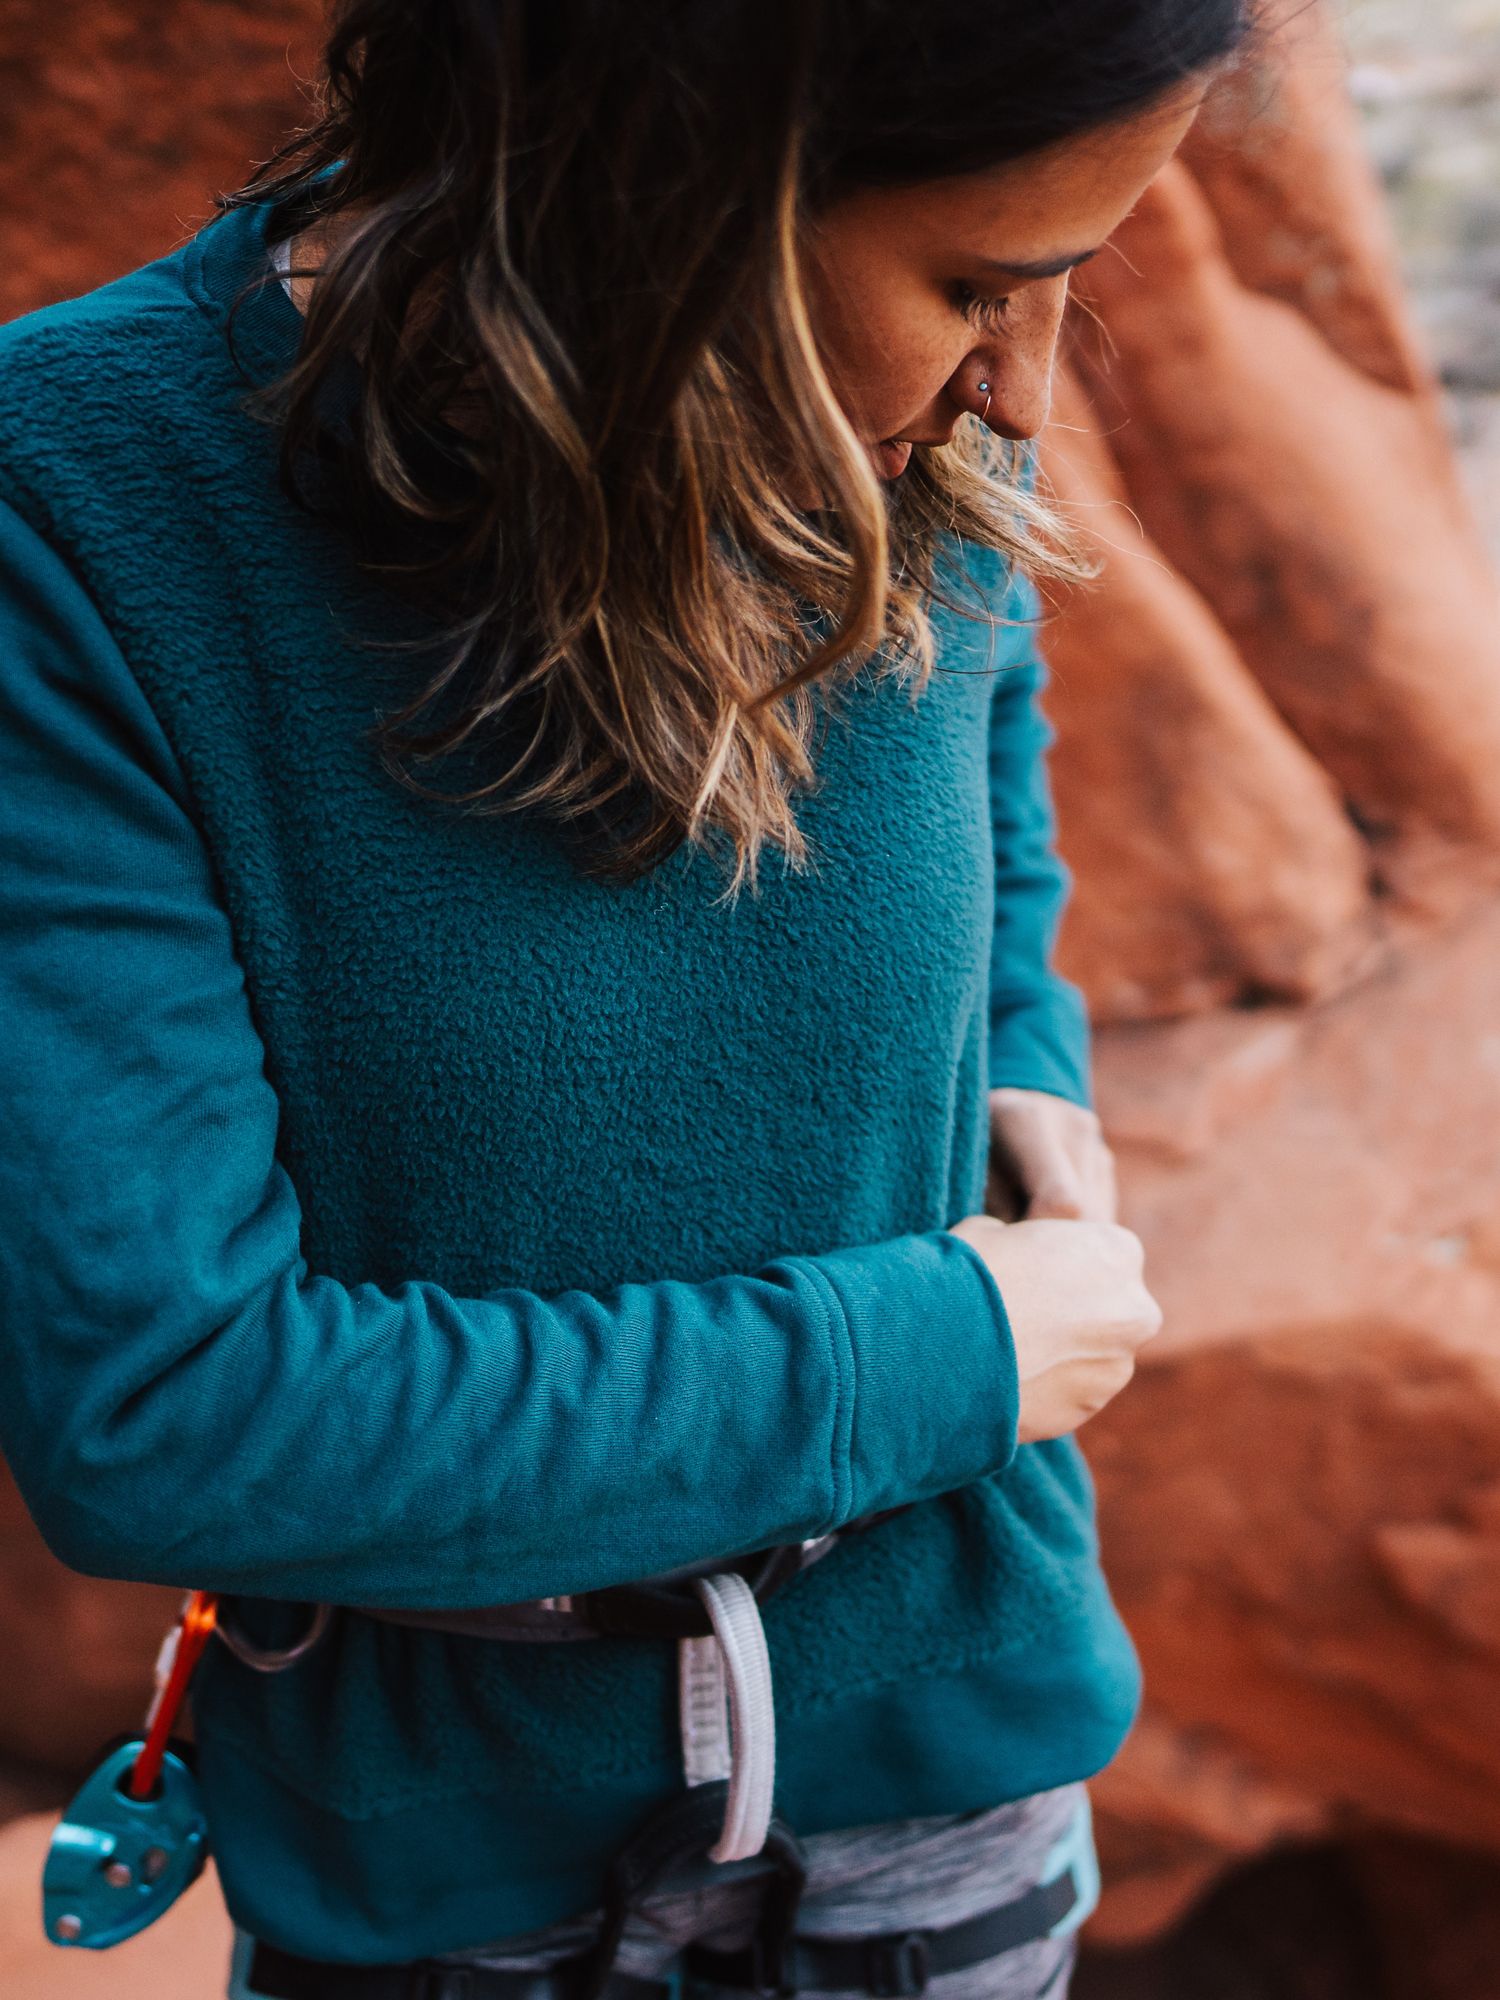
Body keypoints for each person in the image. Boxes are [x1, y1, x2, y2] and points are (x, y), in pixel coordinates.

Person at [0, 2, 1244, 1995]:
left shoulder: (893, 405)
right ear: (674, 182)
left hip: (963, 1778)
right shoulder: (74, 502)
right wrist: (934, 1355)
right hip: (444, 1869)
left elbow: (986, 765)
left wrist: (1016, 1067)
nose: (1020, 393)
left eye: (1063, 286)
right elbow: (167, 1413)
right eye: (974, 288)